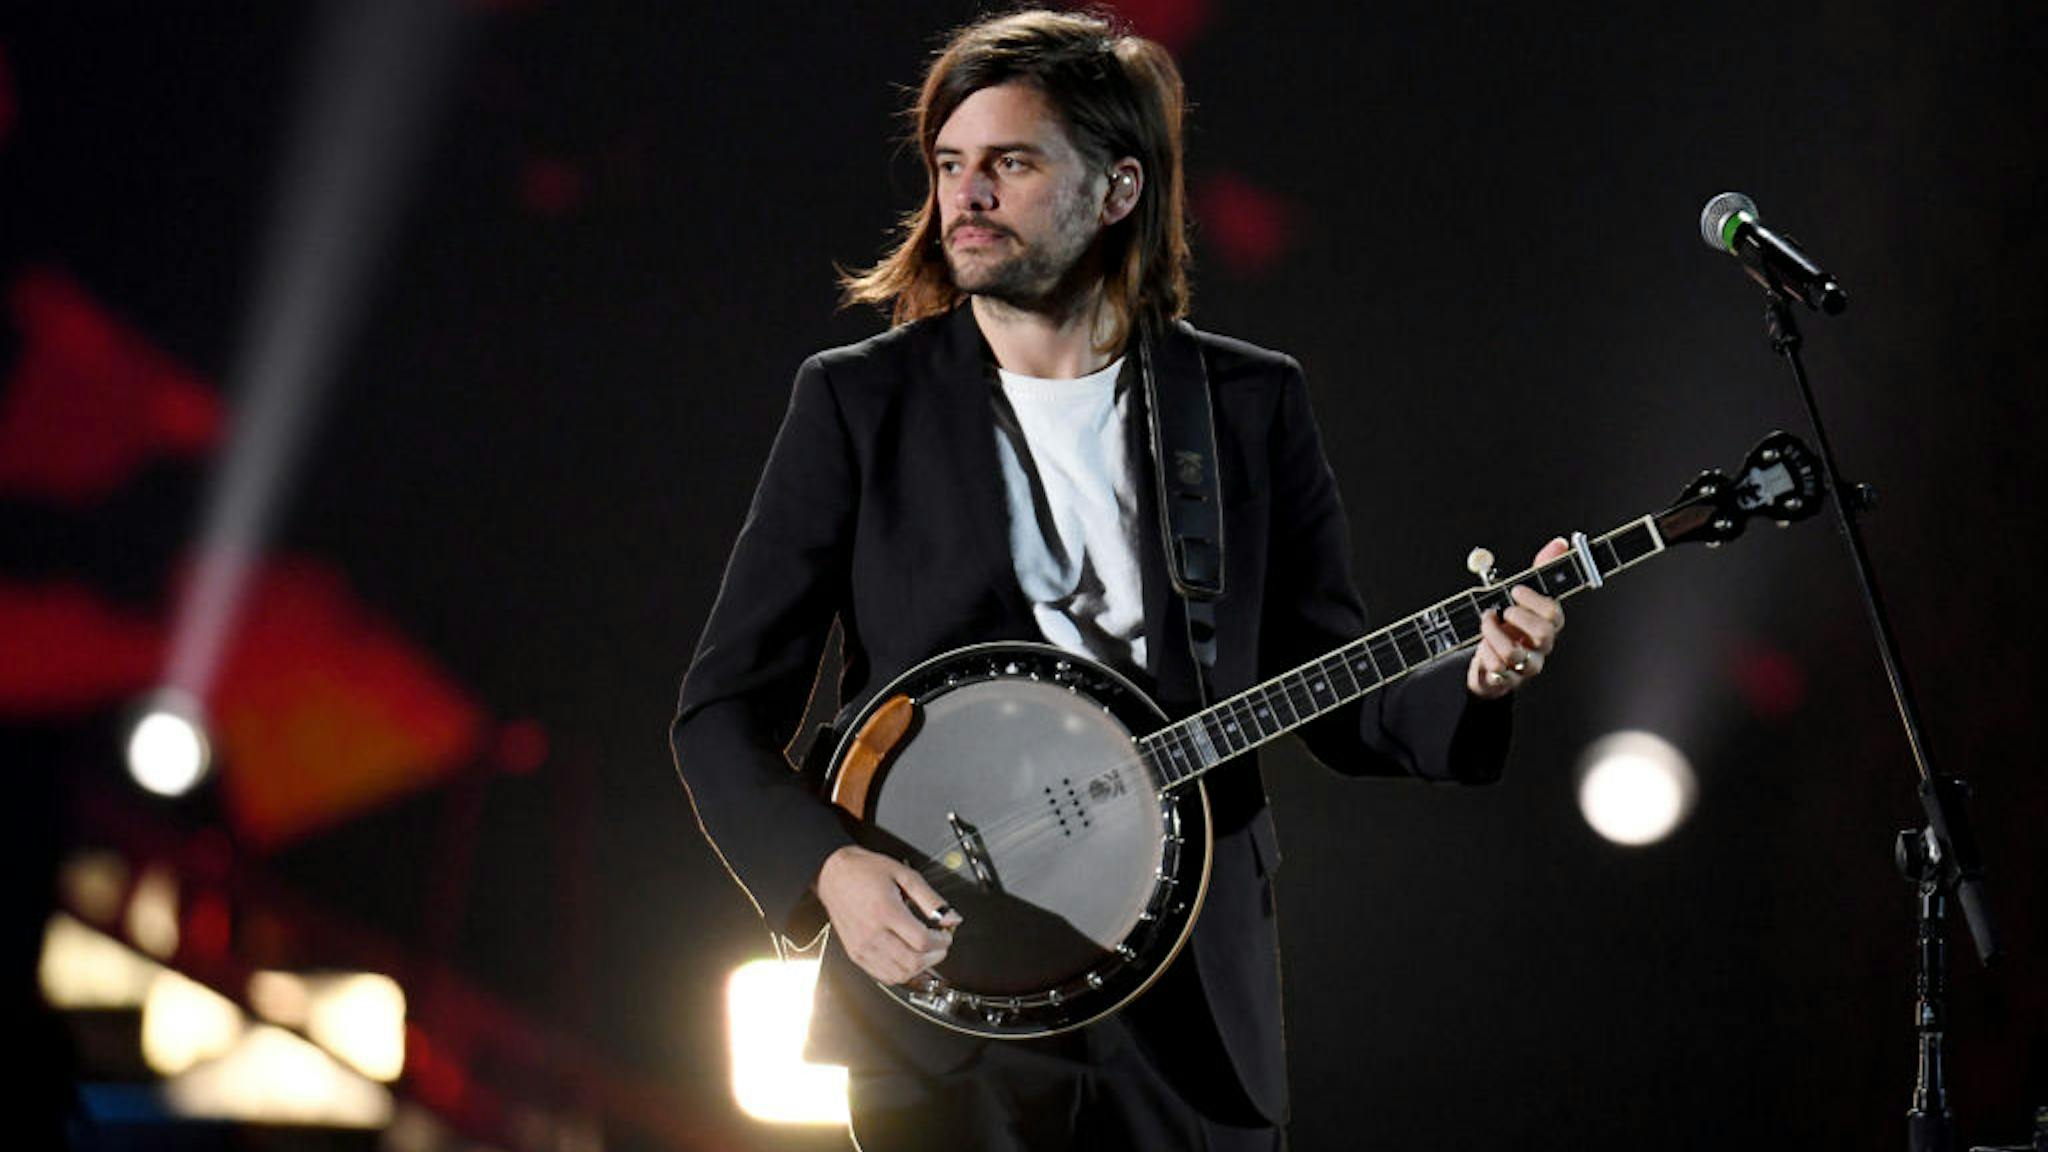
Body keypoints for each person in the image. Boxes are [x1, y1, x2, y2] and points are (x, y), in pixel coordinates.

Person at [669, 10, 1566, 1149]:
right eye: (950, 165)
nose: (966, 196)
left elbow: (1330, 687)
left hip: (1187, 1003)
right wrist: (830, 873)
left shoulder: (1245, 405)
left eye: (1009, 162)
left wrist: (1474, 679)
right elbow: (719, 713)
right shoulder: (859, 402)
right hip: (944, 996)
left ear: (1117, 189)